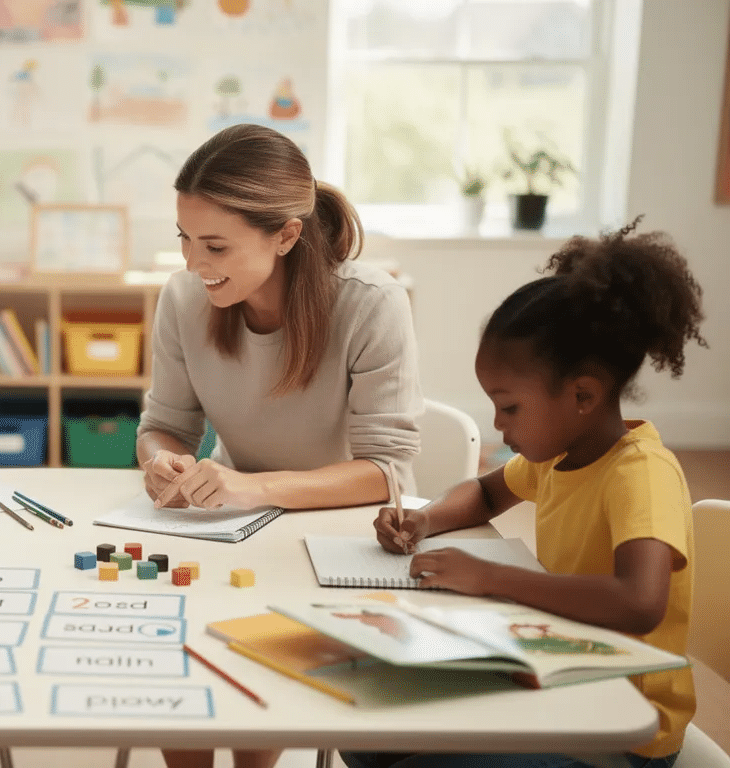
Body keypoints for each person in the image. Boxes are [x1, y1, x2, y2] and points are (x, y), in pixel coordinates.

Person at [345, 218, 705, 768]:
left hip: (620, 731)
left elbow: (639, 602)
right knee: (368, 741)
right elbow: (485, 495)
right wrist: (425, 520)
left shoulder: (641, 473)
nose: (500, 425)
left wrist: (491, 578)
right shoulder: (563, 454)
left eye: (510, 407)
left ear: (582, 395)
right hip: (558, 681)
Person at [137, 124, 421, 768]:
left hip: (338, 538)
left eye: (215, 245)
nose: (192, 263)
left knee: (256, 665)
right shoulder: (184, 298)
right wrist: (161, 460)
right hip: (232, 527)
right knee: (181, 656)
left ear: (286, 235)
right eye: (183, 238)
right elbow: (164, 425)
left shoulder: (372, 303)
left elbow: (388, 471)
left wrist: (252, 487)